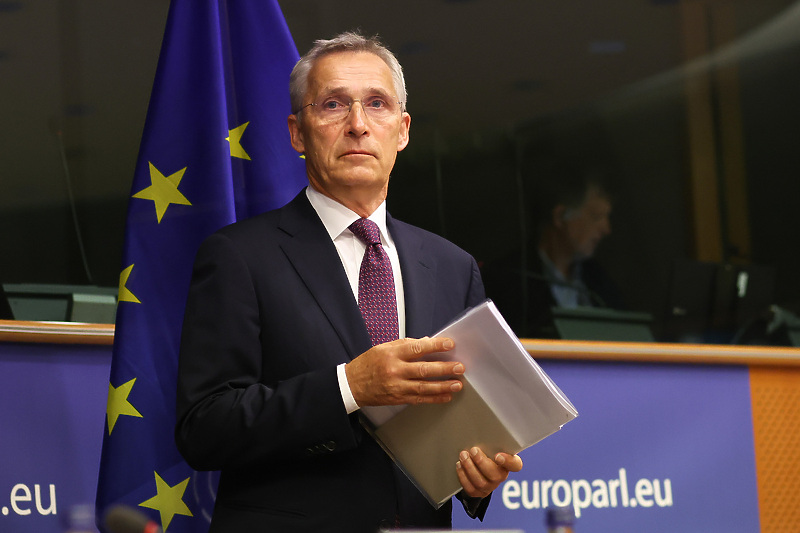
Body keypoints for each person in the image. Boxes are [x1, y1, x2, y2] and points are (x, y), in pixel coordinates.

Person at [175, 32, 522, 532]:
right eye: (334, 104)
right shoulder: (237, 256)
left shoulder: (453, 266)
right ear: (297, 132)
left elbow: (461, 424)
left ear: (402, 130)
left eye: (377, 105)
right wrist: (348, 387)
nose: (358, 125)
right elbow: (203, 428)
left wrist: (477, 475)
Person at [483, 161, 622, 338]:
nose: (606, 229)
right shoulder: (509, 280)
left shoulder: (599, 283)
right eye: (596, 217)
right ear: (560, 216)